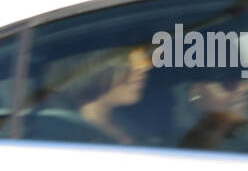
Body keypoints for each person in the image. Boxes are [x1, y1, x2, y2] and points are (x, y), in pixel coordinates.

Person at [24, 45, 152, 145]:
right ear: (93, 67)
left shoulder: (136, 124)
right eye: (127, 59)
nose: (145, 66)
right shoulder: (62, 138)